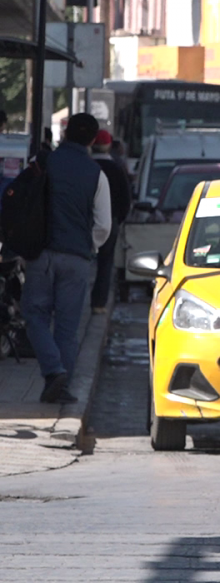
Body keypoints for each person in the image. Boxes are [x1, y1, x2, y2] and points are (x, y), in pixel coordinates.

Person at [22, 113, 112, 404]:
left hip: (41, 254)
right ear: (90, 140)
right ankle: (61, 386)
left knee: (34, 315)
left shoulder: (44, 162)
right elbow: (104, 226)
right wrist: (90, 247)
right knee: (68, 327)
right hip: (77, 258)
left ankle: (53, 370)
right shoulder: (96, 174)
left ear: (65, 134)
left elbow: (23, 201)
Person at [90, 129, 132, 313]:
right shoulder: (116, 168)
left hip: (84, 221)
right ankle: (98, 304)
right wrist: (118, 219)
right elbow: (126, 198)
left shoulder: (87, 167)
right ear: (108, 145)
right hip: (110, 222)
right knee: (105, 263)